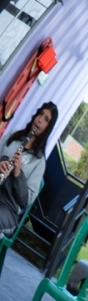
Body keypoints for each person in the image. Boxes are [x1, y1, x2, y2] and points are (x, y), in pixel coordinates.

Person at [0, 102, 58, 238]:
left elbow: (26, 201)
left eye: (46, 120)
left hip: (8, 210)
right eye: (40, 114)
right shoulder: (13, 136)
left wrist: (17, 173)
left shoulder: (39, 162)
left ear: (48, 128)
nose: (39, 120)